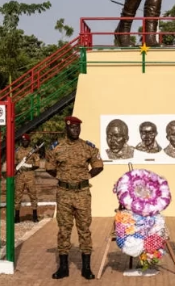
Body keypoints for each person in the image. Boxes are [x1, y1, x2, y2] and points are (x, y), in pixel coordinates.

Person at [45, 116, 104, 280]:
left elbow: (99, 165)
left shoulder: (87, 147)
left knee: (84, 229)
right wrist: (62, 177)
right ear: (66, 128)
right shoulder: (57, 147)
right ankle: (63, 268)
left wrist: (86, 177)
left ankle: (86, 268)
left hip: (82, 194)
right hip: (64, 194)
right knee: (64, 230)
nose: (75, 131)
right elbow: (49, 167)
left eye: (78, 128)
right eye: (72, 128)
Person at [14, 133, 40, 223]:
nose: (24, 142)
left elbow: (37, 165)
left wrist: (27, 165)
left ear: (29, 141)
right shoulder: (17, 151)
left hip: (30, 176)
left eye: (26, 140)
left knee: (33, 195)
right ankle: (16, 216)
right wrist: (17, 167)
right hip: (19, 176)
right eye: (23, 140)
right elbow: (14, 163)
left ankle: (35, 216)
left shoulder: (33, 151)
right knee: (17, 196)